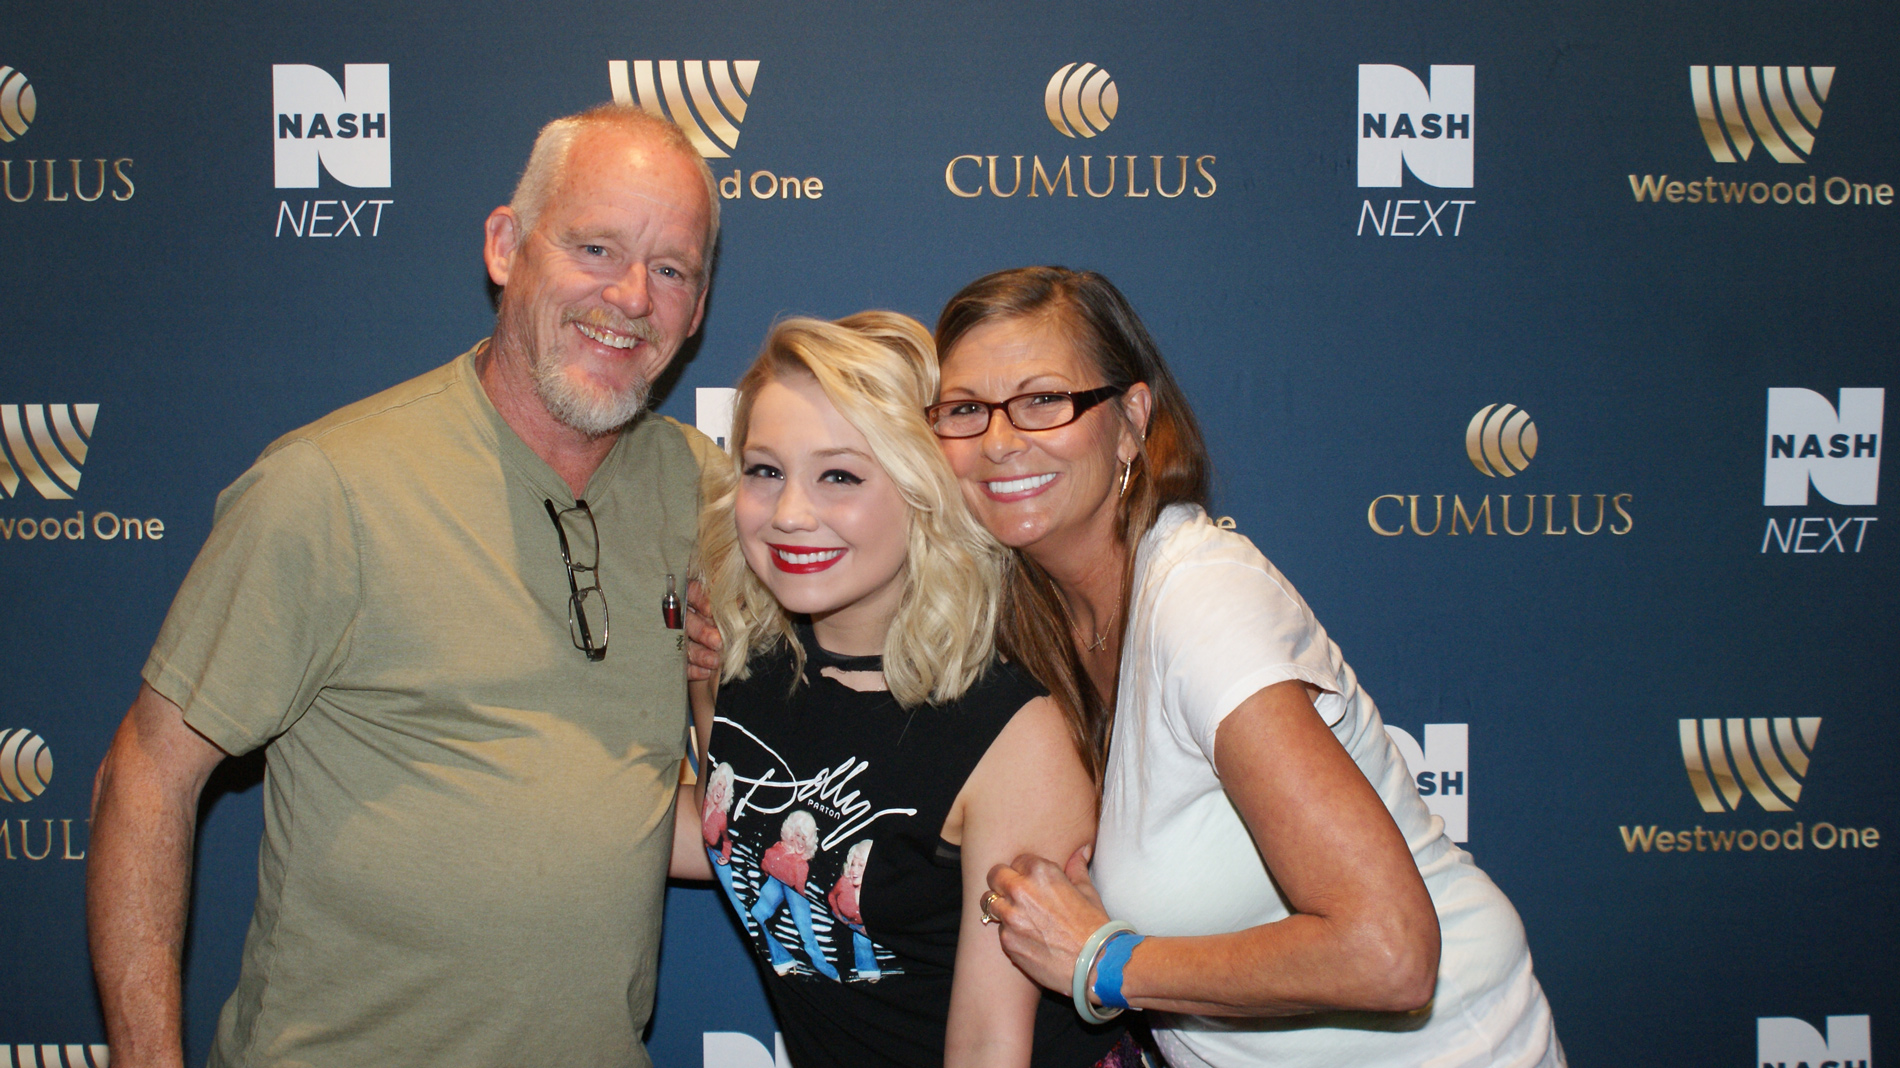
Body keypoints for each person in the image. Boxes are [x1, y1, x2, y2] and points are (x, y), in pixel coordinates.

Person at [85, 104, 724, 1068]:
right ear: (505, 247)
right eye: (595, 247)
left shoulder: (708, 496)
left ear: (698, 308)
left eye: (671, 269)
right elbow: (145, 776)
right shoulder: (328, 488)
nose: (630, 296)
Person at [934, 267, 1565, 1068]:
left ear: (1130, 421)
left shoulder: (1200, 600)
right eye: (966, 410)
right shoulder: (1039, 617)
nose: (998, 441)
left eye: (1044, 400)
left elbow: (1389, 952)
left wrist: (1105, 960)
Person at [673, 313, 1137, 1067]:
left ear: (924, 491)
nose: (790, 514)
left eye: (840, 476)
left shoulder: (1012, 736)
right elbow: (734, 827)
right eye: (764, 471)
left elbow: (987, 1047)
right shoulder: (736, 661)